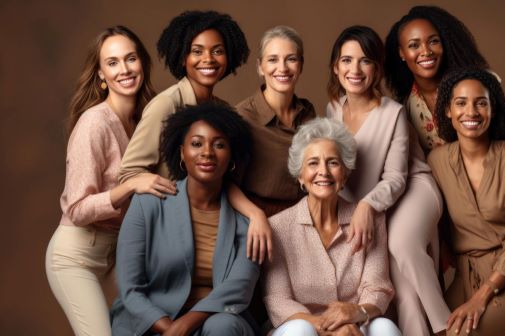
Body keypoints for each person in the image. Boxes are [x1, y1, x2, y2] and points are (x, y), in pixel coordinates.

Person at [45, 26, 174, 336]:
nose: (124, 69)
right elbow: (76, 208)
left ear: (142, 63)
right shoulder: (94, 123)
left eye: (130, 59)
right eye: (113, 62)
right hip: (77, 254)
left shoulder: (147, 118)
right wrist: (129, 185)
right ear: (101, 74)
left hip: (122, 251)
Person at [117, 10, 271, 264]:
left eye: (217, 50)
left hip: (209, 227)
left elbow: (223, 180)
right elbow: (129, 174)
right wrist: (163, 192)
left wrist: (256, 214)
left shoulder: (224, 111)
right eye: (197, 51)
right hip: (166, 235)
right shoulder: (165, 105)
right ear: (182, 56)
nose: (208, 59)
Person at [326, 26, 449, 335]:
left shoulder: (392, 112)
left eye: (365, 61)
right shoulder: (332, 111)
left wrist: (367, 205)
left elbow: (396, 177)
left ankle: (448, 326)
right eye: (347, 61)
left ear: (377, 68)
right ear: (335, 66)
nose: (355, 70)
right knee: (401, 288)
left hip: (411, 189)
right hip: (371, 203)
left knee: (401, 244)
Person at [111, 102, 260, 336]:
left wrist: (186, 324)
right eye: (196, 143)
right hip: (152, 321)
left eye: (219, 145)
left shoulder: (247, 221)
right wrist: (169, 329)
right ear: (182, 152)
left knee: (222, 326)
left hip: (215, 321)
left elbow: (239, 288)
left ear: (231, 155)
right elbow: (130, 288)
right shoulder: (147, 204)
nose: (207, 152)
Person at [428, 68, 505, 335]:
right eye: (461, 103)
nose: (470, 112)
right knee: (426, 329)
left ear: (492, 109)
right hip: (467, 274)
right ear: (448, 111)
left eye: (480, 103)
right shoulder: (438, 162)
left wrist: (480, 299)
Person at [264, 118, 401, 336]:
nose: (323, 172)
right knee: (299, 332)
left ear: (345, 175)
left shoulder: (371, 220)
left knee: (385, 328)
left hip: (355, 323)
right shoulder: (278, 227)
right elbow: (278, 299)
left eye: (333, 162)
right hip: (303, 325)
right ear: (300, 176)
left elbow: (377, 287)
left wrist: (354, 315)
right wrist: (328, 326)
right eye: (313, 163)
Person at [384, 5, 490, 154]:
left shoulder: (476, 86)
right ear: (402, 53)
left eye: (433, 41)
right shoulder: (404, 110)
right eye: (414, 45)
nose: (426, 52)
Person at [235, 25, 317, 217]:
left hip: (303, 214)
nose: (283, 68)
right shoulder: (242, 117)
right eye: (273, 60)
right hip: (257, 218)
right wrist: (256, 216)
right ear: (260, 67)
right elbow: (227, 184)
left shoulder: (308, 112)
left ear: (301, 65)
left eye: (291, 59)